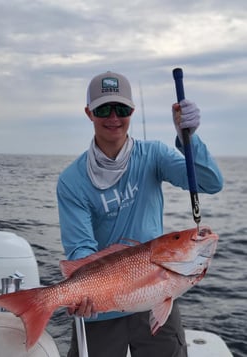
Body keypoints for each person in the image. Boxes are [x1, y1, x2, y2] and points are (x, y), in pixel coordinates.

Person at [57, 71, 223, 357]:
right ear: (89, 113)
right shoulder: (72, 181)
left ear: (132, 111)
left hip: (157, 293)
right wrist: (83, 292)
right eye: (103, 109)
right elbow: (81, 249)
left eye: (121, 108)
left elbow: (210, 182)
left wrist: (189, 140)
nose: (113, 117)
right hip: (100, 310)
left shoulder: (153, 155)